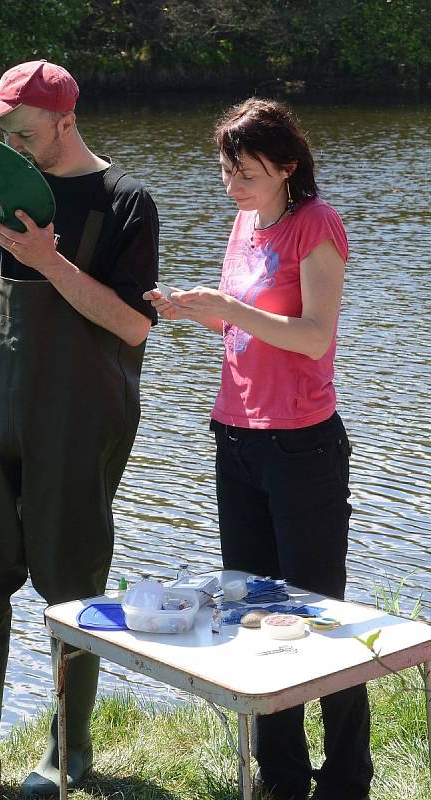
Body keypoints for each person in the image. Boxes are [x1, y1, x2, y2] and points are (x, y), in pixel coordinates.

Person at [0, 60, 159, 800]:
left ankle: (68, 751)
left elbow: (132, 323)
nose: (12, 144)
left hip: (80, 413)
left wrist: (48, 261)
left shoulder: (127, 201)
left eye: (22, 130)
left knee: (71, 579)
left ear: (65, 119)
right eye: (3, 130)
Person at [144, 98, 373, 800]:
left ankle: (346, 779)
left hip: (302, 446)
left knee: (318, 614)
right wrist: (197, 312)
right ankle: (280, 777)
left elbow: (312, 336)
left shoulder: (317, 225)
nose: (232, 184)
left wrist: (229, 309)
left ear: (286, 165)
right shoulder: (246, 222)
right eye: (226, 170)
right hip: (235, 437)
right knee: (251, 609)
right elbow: (245, 328)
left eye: (244, 171)